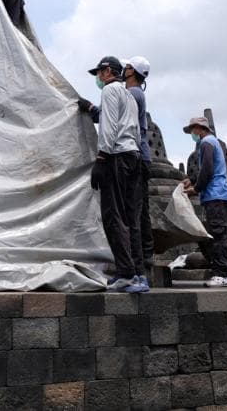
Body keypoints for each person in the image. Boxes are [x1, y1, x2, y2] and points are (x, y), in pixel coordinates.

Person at [86, 56, 148, 293]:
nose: (98, 78)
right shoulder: (128, 95)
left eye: (99, 73)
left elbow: (109, 126)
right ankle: (136, 274)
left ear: (108, 71)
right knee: (130, 217)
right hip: (132, 156)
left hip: (117, 156)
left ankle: (126, 273)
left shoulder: (111, 90)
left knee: (114, 216)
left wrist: (101, 159)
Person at [181, 116, 227, 287]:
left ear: (199, 128)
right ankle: (220, 271)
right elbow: (207, 168)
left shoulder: (206, 143)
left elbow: (208, 169)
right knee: (211, 235)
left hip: (216, 195)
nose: (192, 134)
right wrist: (192, 179)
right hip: (219, 195)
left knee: (217, 235)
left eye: (192, 130)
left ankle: (223, 275)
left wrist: (196, 189)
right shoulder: (213, 142)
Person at [122, 57, 154, 277]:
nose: (124, 70)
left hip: (136, 155)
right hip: (141, 155)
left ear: (132, 72)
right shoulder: (136, 93)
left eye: (127, 67)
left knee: (135, 209)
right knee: (139, 209)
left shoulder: (133, 94)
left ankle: (141, 259)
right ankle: (145, 254)